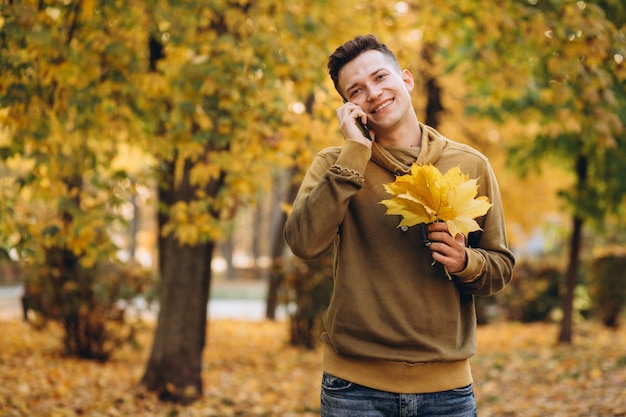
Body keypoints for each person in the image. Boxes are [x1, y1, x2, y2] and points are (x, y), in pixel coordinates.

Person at [284, 34, 515, 417]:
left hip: (447, 391)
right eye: (356, 90)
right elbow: (304, 243)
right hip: (353, 390)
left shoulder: (471, 164)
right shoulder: (334, 165)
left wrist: (464, 262)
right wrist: (355, 153)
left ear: (405, 79)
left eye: (379, 77)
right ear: (348, 108)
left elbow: (500, 268)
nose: (373, 93)